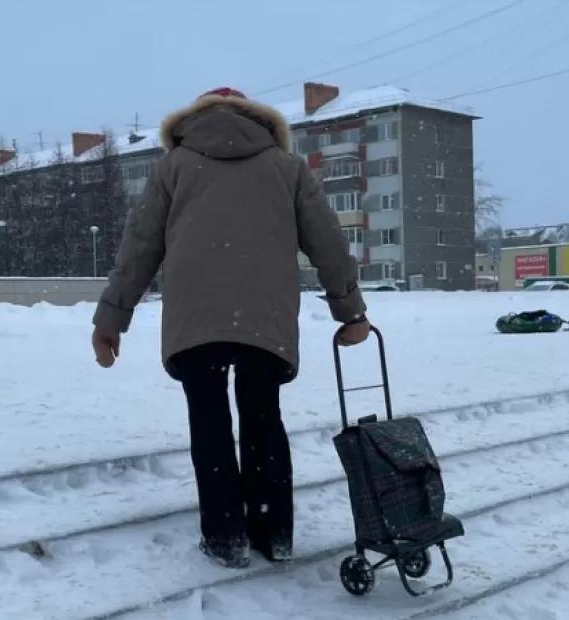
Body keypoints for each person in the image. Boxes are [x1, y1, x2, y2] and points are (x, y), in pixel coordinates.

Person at [91, 87, 370, 569]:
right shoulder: (287, 168)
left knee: (210, 421)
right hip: (264, 313)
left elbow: (139, 246)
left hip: (196, 314)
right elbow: (327, 240)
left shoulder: (173, 166)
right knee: (263, 416)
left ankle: (224, 536)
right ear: (260, 121)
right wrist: (351, 312)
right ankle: (273, 532)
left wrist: (111, 318)